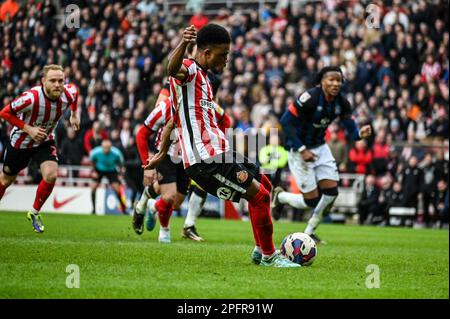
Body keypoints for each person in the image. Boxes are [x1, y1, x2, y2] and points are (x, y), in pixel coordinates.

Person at [145, 24, 299, 267]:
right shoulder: (190, 70)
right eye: (223, 54)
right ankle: (270, 256)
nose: (227, 60)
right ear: (206, 53)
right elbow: (172, 68)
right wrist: (184, 44)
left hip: (221, 153)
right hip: (206, 161)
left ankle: (261, 249)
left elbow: (173, 121)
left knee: (265, 185)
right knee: (258, 196)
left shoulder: (204, 81)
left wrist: (162, 152)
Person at [271, 66, 372, 244]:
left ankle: (309, 232)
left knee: (331, 193)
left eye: (338, 80)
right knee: (311, 201)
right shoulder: (309, 98)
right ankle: (280, 197)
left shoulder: (342, 102)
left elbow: (351, 129)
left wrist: (359, 134)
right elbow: (285, 122)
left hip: (320, 147)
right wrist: (302, 149)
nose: (335, 83)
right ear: (321, 81)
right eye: (331, 80)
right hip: (298, 150)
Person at [0, 64, 80, 233]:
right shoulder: (31, 98)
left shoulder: (68, 93)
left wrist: (74, 114)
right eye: (53, 81)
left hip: (44, 140)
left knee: (51, 175)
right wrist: (29, 129)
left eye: (61, 81)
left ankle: (35, 212)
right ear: (43, 81)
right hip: (21, 143)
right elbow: (5, 113)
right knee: (5, 180)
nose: (58, 85)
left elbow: (75, 92)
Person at [89, 139, 127, 215]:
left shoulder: (116, 153)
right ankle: (93, 209)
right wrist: (93, 171)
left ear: (110, 147)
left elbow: (121, 164)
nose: (106, 150)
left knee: (117, 189)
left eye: (108, 148)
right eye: (104, 148)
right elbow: (92, 161)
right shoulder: (95, 152)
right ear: (102, 147)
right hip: (99, 169)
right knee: (93, 188)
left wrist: (120, 174)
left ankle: (123, 209)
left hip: (111, 170)